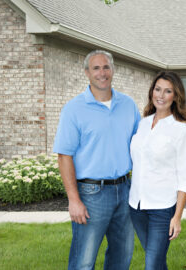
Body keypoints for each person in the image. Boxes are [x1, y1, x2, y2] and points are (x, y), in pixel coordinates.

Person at [53, 50, 141, 270]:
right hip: (92, 194)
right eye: (96, 68)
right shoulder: (74, 109)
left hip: (125, 189)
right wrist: (74, 200)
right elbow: (64, 156)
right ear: (87, 73)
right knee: (83, 261)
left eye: (106, 67)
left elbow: (140, 146)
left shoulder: (128, 105)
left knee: (122, 257)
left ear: (113, 70)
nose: (102, 73)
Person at [129, 71, 186, 270]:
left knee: (151, 265)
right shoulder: (142, 124)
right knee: (157, 263)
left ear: (175, 96)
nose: (161, 95)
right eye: (157, 89)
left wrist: (177, 217)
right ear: (152, 92)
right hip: (136, 206)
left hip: (163, 209)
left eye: (168, 91)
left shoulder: (183, 131)